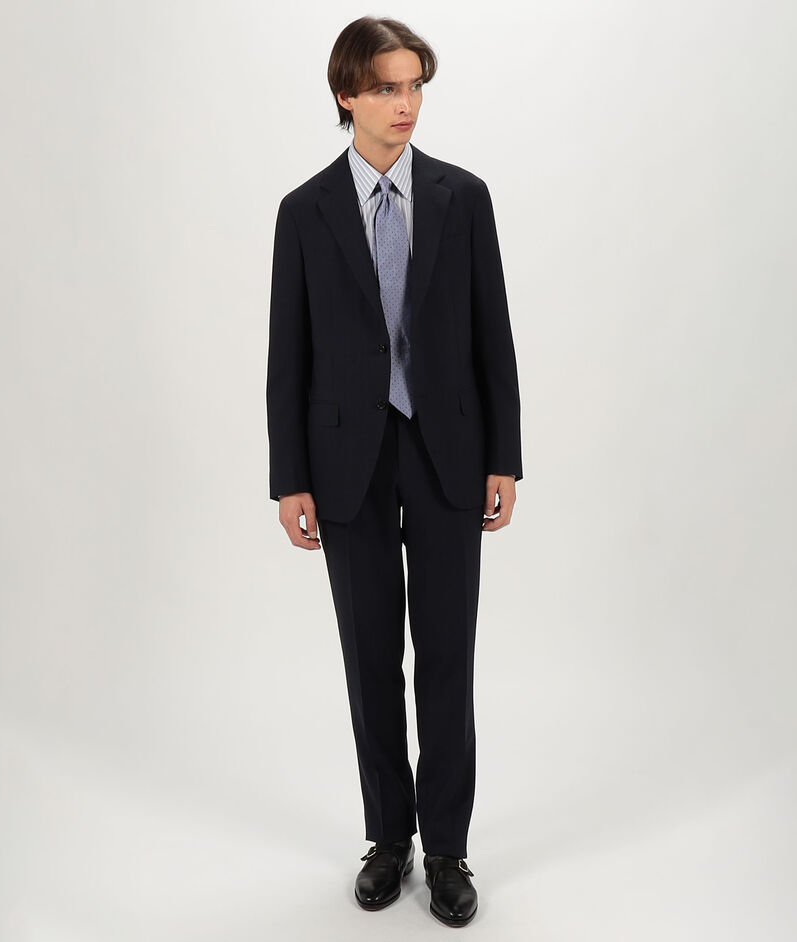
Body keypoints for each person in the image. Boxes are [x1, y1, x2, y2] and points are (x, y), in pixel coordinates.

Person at [266, 15, 522, 928]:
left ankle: (446, 848)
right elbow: (287, 354)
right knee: (370, 658)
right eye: (385, 88)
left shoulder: (463, 197)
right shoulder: (304, 211)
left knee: (446, 656)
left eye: (414, 86)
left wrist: (503, 456)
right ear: (347, 95)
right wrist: (289, 477)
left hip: (447, 451)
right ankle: (389, 837)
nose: (405, 104)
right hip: (346, 462)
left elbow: (492, 332)